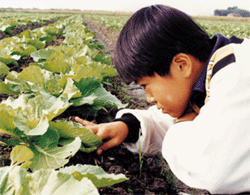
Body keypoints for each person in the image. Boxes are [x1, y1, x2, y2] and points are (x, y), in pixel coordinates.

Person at [75, 4, 250, 194]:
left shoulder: (238, 73)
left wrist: (183, 123)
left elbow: (213, 168)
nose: (149, 98)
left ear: (182, 65)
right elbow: (169, 120)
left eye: (145, 86)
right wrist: (126, 127)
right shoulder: (208, 75)